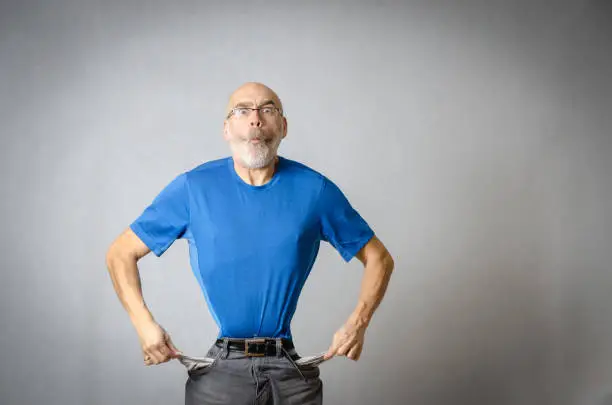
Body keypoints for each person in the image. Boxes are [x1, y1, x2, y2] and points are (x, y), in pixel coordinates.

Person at [105, 82, 395, 405]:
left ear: (283, 127)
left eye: (267, 110)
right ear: (227, 129)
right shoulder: (193, 188)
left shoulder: (316, 191)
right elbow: (120, 254)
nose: (255, 119)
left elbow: (379, 259)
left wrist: (358, 324)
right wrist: (144, 324)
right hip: (219, 379)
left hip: (291, 378)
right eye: (242, 111)